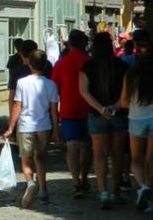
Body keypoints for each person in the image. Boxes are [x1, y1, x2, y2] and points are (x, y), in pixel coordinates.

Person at [3, 50, 60, 209]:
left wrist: (10, 128)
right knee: (41, 159)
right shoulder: (51, 84)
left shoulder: (22, 82)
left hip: (26, 126)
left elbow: (17, 106)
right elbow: (54, 110)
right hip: (44, 126)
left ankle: (30, 183)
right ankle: (43, 190)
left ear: (29, 63)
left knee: (26, 159)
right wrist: (56, 130)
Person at [79, 31, 130, 209]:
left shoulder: (88, 66)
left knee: (99, 154)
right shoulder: (122, 66)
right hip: (119, 114)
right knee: (117, 154)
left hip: (96, 114)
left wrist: (100, 108)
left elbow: (84, 91)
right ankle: (116, 191)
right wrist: (115, 106)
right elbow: (127, 92)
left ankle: (103, 192)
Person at [119, 35, 153, 213]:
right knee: (151, 160)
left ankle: (142, 187)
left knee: (135, 160)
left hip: (136, 119)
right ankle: (150, 199)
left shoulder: (130, 75)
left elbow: (123, 102)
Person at [51, 29, 92, 198]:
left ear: (69, 43)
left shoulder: (61, 63)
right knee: (86, 146)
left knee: (72, 147)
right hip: (89, 109)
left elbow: (55, 90)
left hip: (68, 109)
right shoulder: (90, 61)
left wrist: (54, 118)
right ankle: (84, 177)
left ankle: (75, 181)